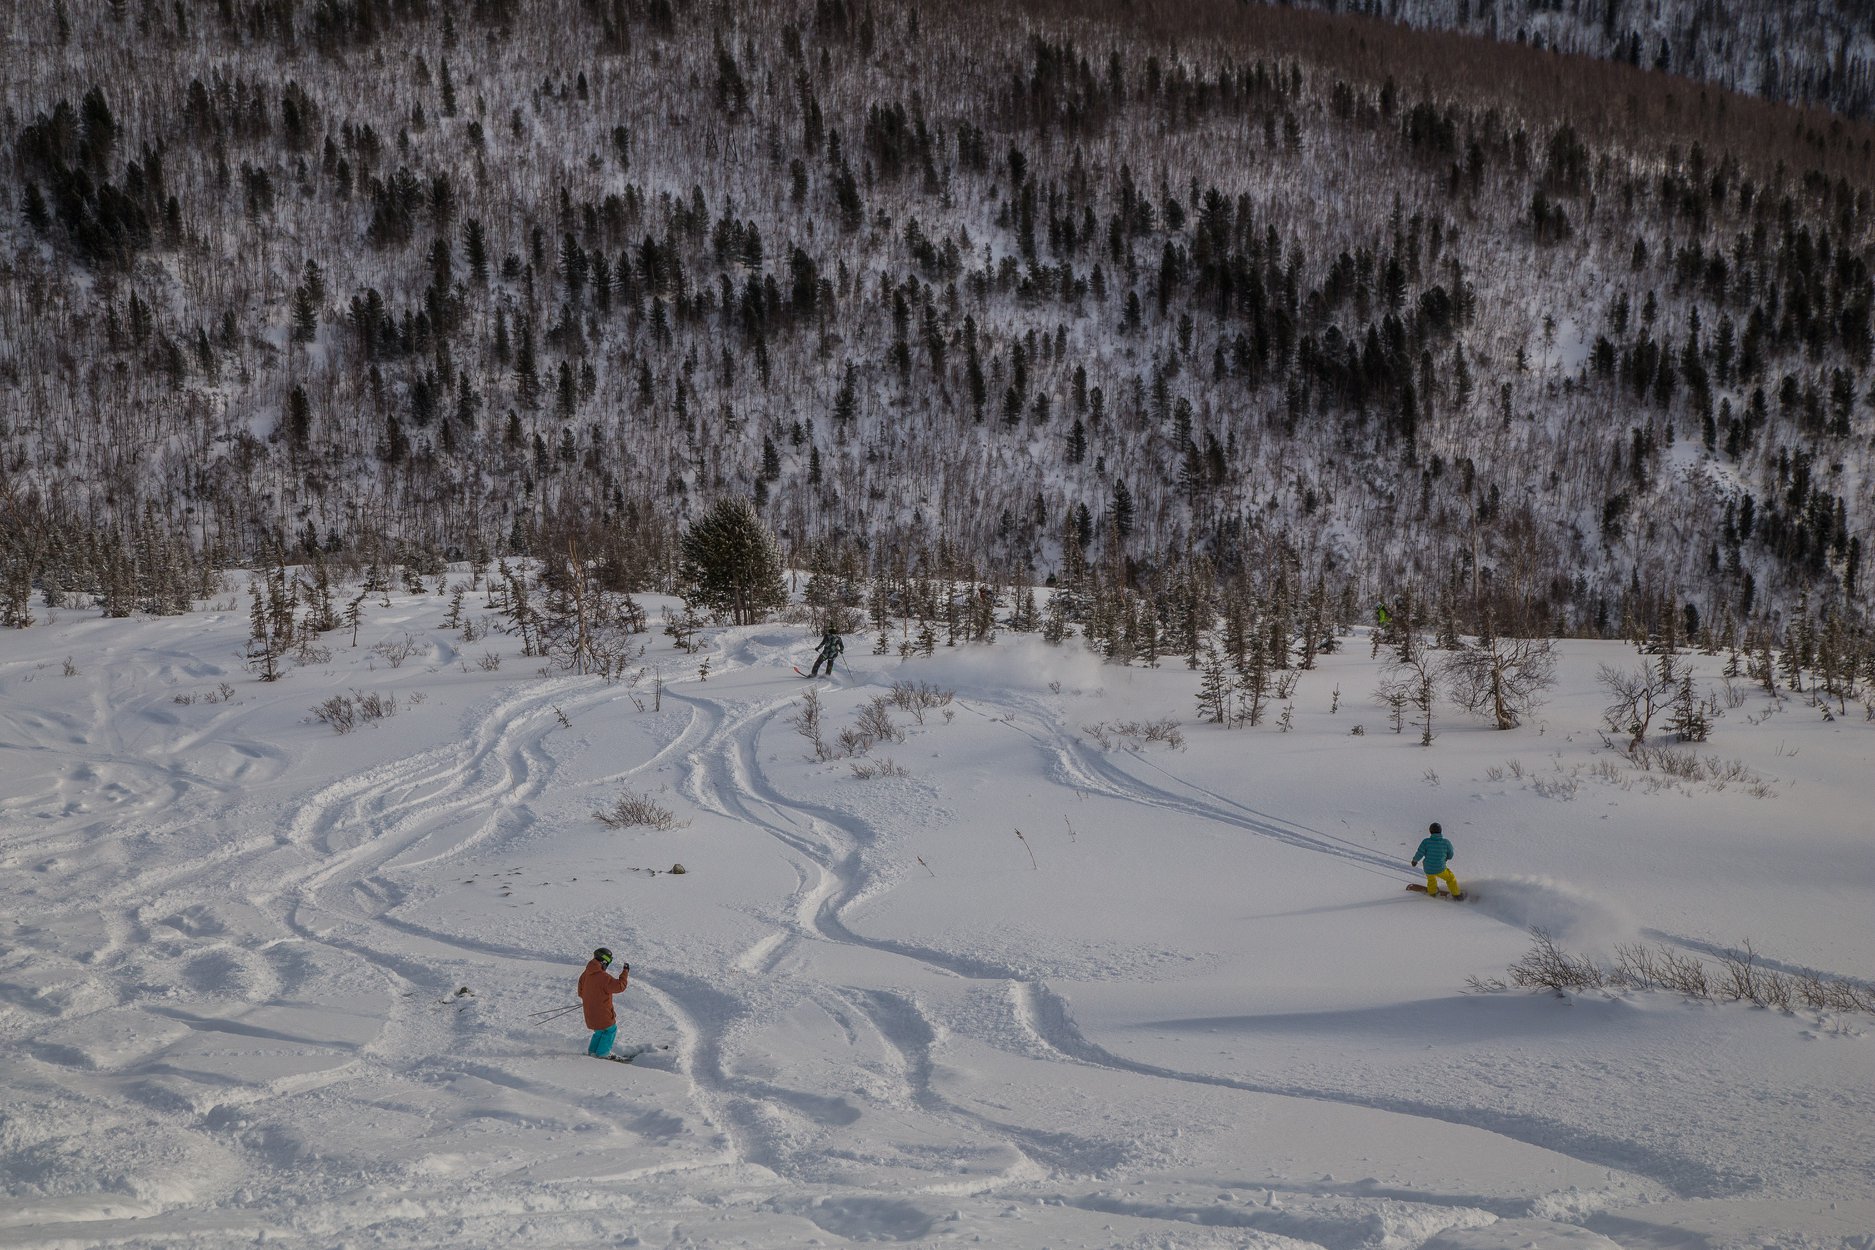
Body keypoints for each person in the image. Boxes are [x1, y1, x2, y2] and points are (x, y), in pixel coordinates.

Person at [578, 947, 629, 1058]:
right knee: (611, 1030)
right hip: (603, 1013)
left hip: (589, 1011)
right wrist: (625, 972)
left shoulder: (586, 973)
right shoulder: (603, 977)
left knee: (599, 1031)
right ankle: (602, 1055)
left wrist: (590, 999)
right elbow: (620, 986)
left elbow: (581, 991)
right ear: (604, 962)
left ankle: (592, 1052)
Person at [1410, 822, 1461, 899]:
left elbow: (1420, 852)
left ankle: (1432, 892)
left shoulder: (1426, 842)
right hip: (1440, 868)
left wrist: (1415, 861)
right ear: (1440, 831)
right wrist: (1447, 858)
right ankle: (1457, 895)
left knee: (1431, 879)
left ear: (1430, 831)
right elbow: (1451, 854)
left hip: (1428, 868)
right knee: (1450, 878)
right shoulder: (1446, 842)